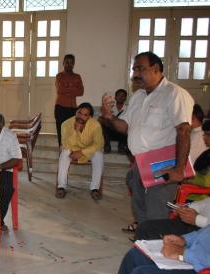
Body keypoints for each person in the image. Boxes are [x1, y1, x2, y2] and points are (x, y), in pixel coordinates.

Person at [101, 51, 194, 224]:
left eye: (140, 69)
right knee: (140, 212)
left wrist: (179, 169)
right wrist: (109, 117)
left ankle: (155, 246)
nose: (135, 74)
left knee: (156, 215)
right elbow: (126, 127)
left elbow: (183, 131)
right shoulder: (138, 96)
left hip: (162, 164)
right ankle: (142, 245)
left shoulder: (173, 94)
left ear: (156, 69)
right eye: (134, 69)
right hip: (140, 163)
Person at [55, 102, 104, 200]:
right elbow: (65, 144)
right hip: (72, 150)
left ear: (90, 117)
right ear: (76, 112)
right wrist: (75, 131)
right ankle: (61, 187)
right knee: (64, 152)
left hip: (88, 151)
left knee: (98, 154)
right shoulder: (66, 124)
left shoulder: (95, 125)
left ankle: (95, 189)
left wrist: (82, 152)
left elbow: (99, 144)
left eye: (85, 115)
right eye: (79, 113)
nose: (81, 117)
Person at [135, 196, 210, 240]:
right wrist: (186, 208)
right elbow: (204, 204)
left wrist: (197, 220)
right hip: (194, 224)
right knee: (146, 227)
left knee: (154, 237)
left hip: (204, 234)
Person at [54, 54, 84, 147]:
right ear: (63, 63)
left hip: (73, 108)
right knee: (61, 130)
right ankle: (61, 149)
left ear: (74, 64)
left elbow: (81, 92)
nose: (69, 64)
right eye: (67, 62)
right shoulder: (59, 76)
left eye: (71, 63)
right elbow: (60, 90)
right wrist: (73, 88)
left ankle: (70, 150)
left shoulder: (77, 77)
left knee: (72, 130)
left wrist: (67, 87)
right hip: (60, 107)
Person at [98, 89, 128, 154]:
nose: (120, 97)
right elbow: (100, 118)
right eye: (119, 95)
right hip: (110, 131)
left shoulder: (128, 108)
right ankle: (107, 146)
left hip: (122, 132)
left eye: (123, 96)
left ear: (125, 98)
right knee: (102, 122)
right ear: (115, 97)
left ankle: (122, 146)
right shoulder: (109, 107)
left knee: (126, 125)